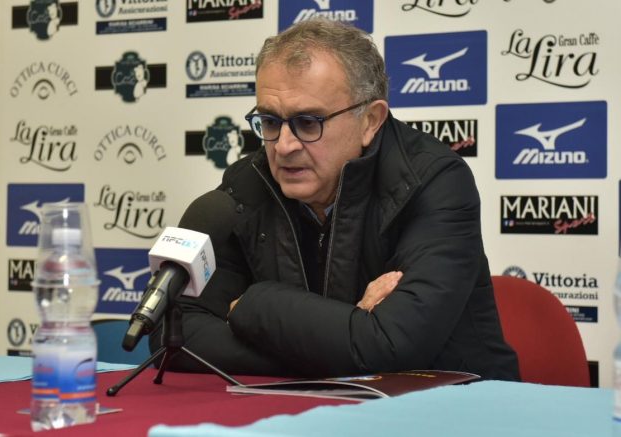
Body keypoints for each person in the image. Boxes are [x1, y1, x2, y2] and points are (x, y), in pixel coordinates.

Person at [151, 18, 519, 380]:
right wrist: (335, 346)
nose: (284, 146)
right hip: (312, 404)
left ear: (370, 121)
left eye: (308, 122)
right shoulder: (246, 186)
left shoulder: (433, 182)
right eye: (270, 121)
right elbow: (176, 337)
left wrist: (253, 306)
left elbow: (392, 345)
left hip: (458, 404)